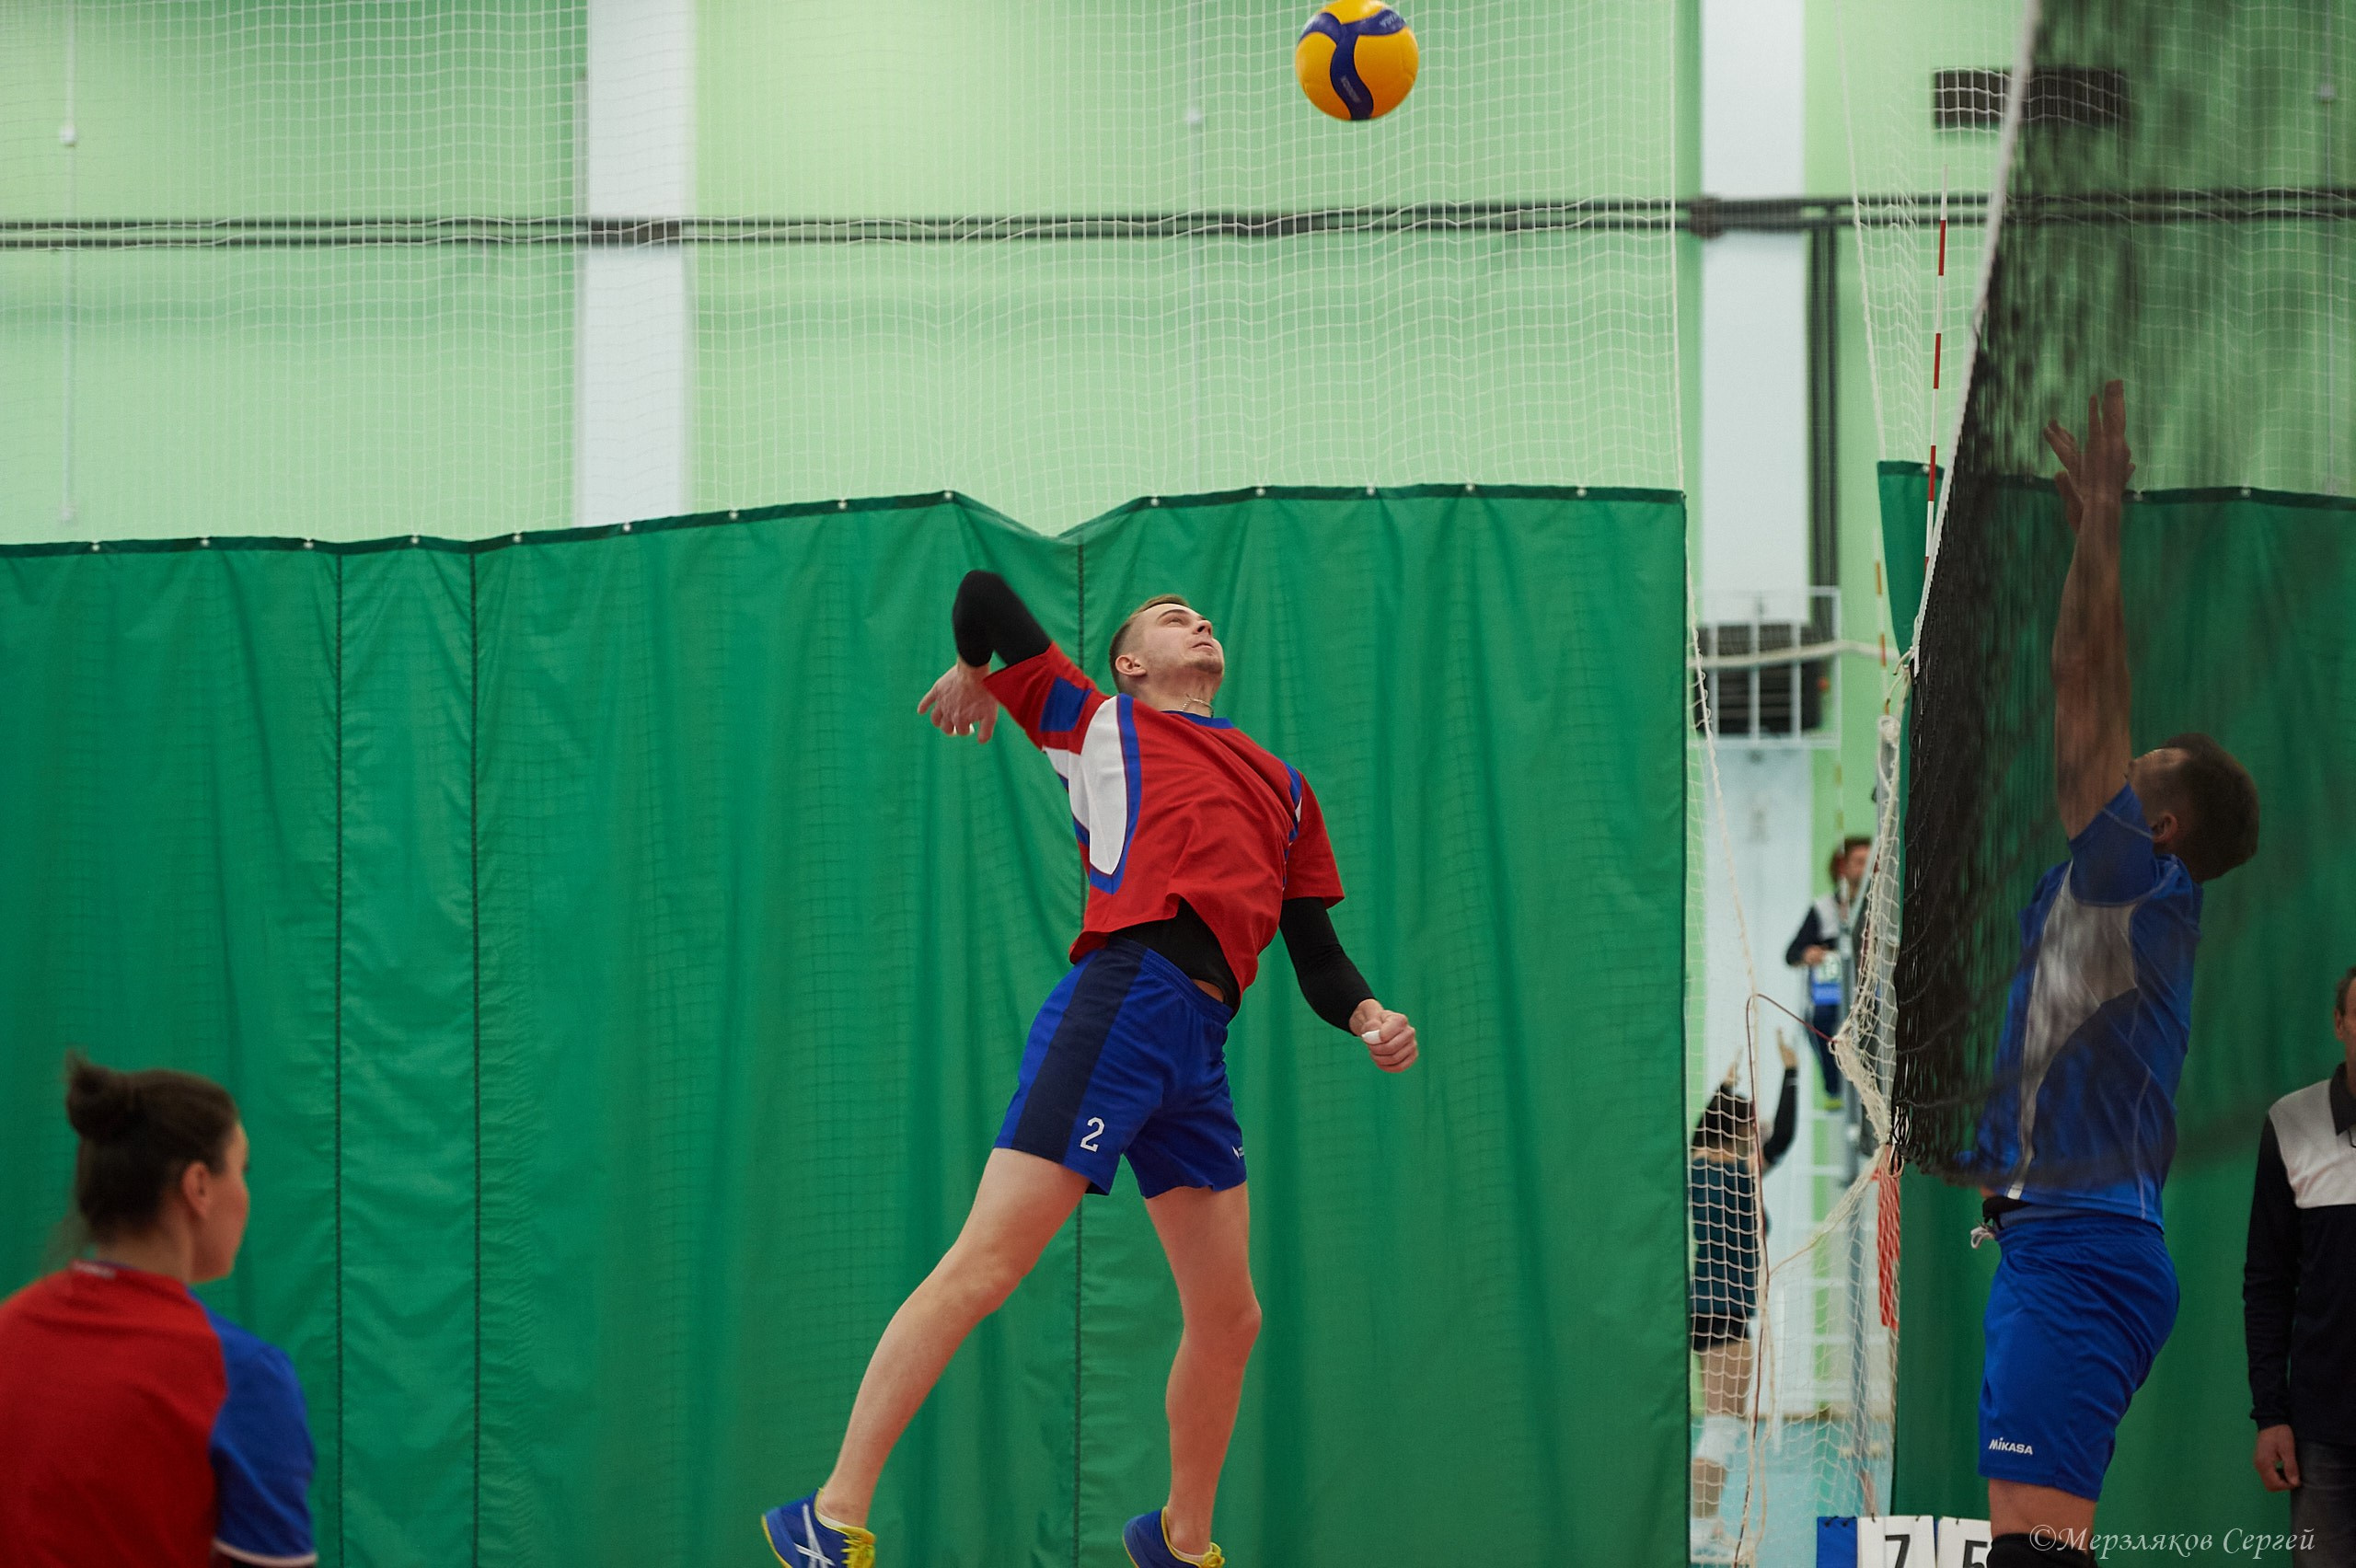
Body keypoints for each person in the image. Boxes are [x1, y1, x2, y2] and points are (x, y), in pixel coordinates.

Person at [761, 573, 1417, 1568]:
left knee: (1230, 1316)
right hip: (1125, 1002)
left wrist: (1368, 1015)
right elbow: (981, 592)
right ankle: (829, 1515)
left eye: (1201, 615)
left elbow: (1315, 953)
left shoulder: (1281, 784)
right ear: (1129, 662)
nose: (1196, 621)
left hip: (1200, 1044)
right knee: (989, 1261)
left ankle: (1176, 1541)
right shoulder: (1094, 722)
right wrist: (976, 673)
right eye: (1167, 617)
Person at [1964, 382, 2260, 1568]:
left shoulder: (2143, 883)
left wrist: (2102, 532)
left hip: (2082, 1249)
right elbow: (2075, 691)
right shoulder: (2105, 893)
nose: (2115, 770)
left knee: (2036, 1552)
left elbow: (2084, 701)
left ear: (2168, 826)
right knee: (2036, 1547)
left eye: (2143, 772)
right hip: (2068, 1244)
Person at [0, 1055, 316, 1568]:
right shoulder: (246, 1376)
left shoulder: (7, 1329)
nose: (247, 1193)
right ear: (199, 1187)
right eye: (243, 1169)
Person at [2244, 963, 2356, 1567]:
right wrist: (2271, 1416)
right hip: (2321, 1433)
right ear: (2339, 1024)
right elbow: (2266, 1285)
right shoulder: (2291, 1123)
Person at [1687, 1035, 1799, 1564]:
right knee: (1723, 1426)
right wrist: (1793, 1074)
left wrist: (1724, 1087)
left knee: (1724, 1425)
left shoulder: (1695, 1167)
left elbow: (1706, 1135)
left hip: (1707, 1308)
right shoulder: (1737, 1174)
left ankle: (1704, 1525)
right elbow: (1783, 1141)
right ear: (1738, 1130)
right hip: (1726, 1310)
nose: (1759, 1134)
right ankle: (1696, 1528)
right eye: (1750, 1125)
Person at [1786, 836, 1872, 1106]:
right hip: (1831, 995)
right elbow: (1791, 954)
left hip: (1871, 993)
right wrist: (1808, 954)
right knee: (1821, 1020)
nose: (1867, 867)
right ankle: (1834, 1086)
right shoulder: (1822, 909)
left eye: (1870, 861)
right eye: (1859, 862)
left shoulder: (1881, 907)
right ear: (1842, 868)